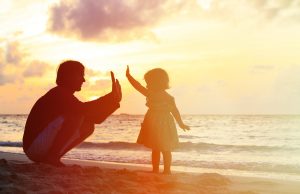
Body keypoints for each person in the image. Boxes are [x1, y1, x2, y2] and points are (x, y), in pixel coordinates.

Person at [23, 60, 122, 167]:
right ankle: (52, 157)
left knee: (88, 126)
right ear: (69, 76)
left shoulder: (65, 95)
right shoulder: (59, 93)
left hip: (36, 148)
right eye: (80, 75)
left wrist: (114, 102)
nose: (83, 80)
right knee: (77, 115)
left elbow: (96, 119)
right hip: (34, 146)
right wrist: (109, 97)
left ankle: (52, 157)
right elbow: (82, 109)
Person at [126, 65, 190, 174]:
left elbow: (138, 86)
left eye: (148, 82)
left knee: (157, 148)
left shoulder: (153, 94)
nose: (146, 85)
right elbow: (175, 112)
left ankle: (158, 170)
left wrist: (129, 76)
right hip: (163, 123)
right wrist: (180, 124)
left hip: (155, 122)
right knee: (165, 148)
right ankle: (165, 171)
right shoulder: (167, 97)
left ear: (156, 82)